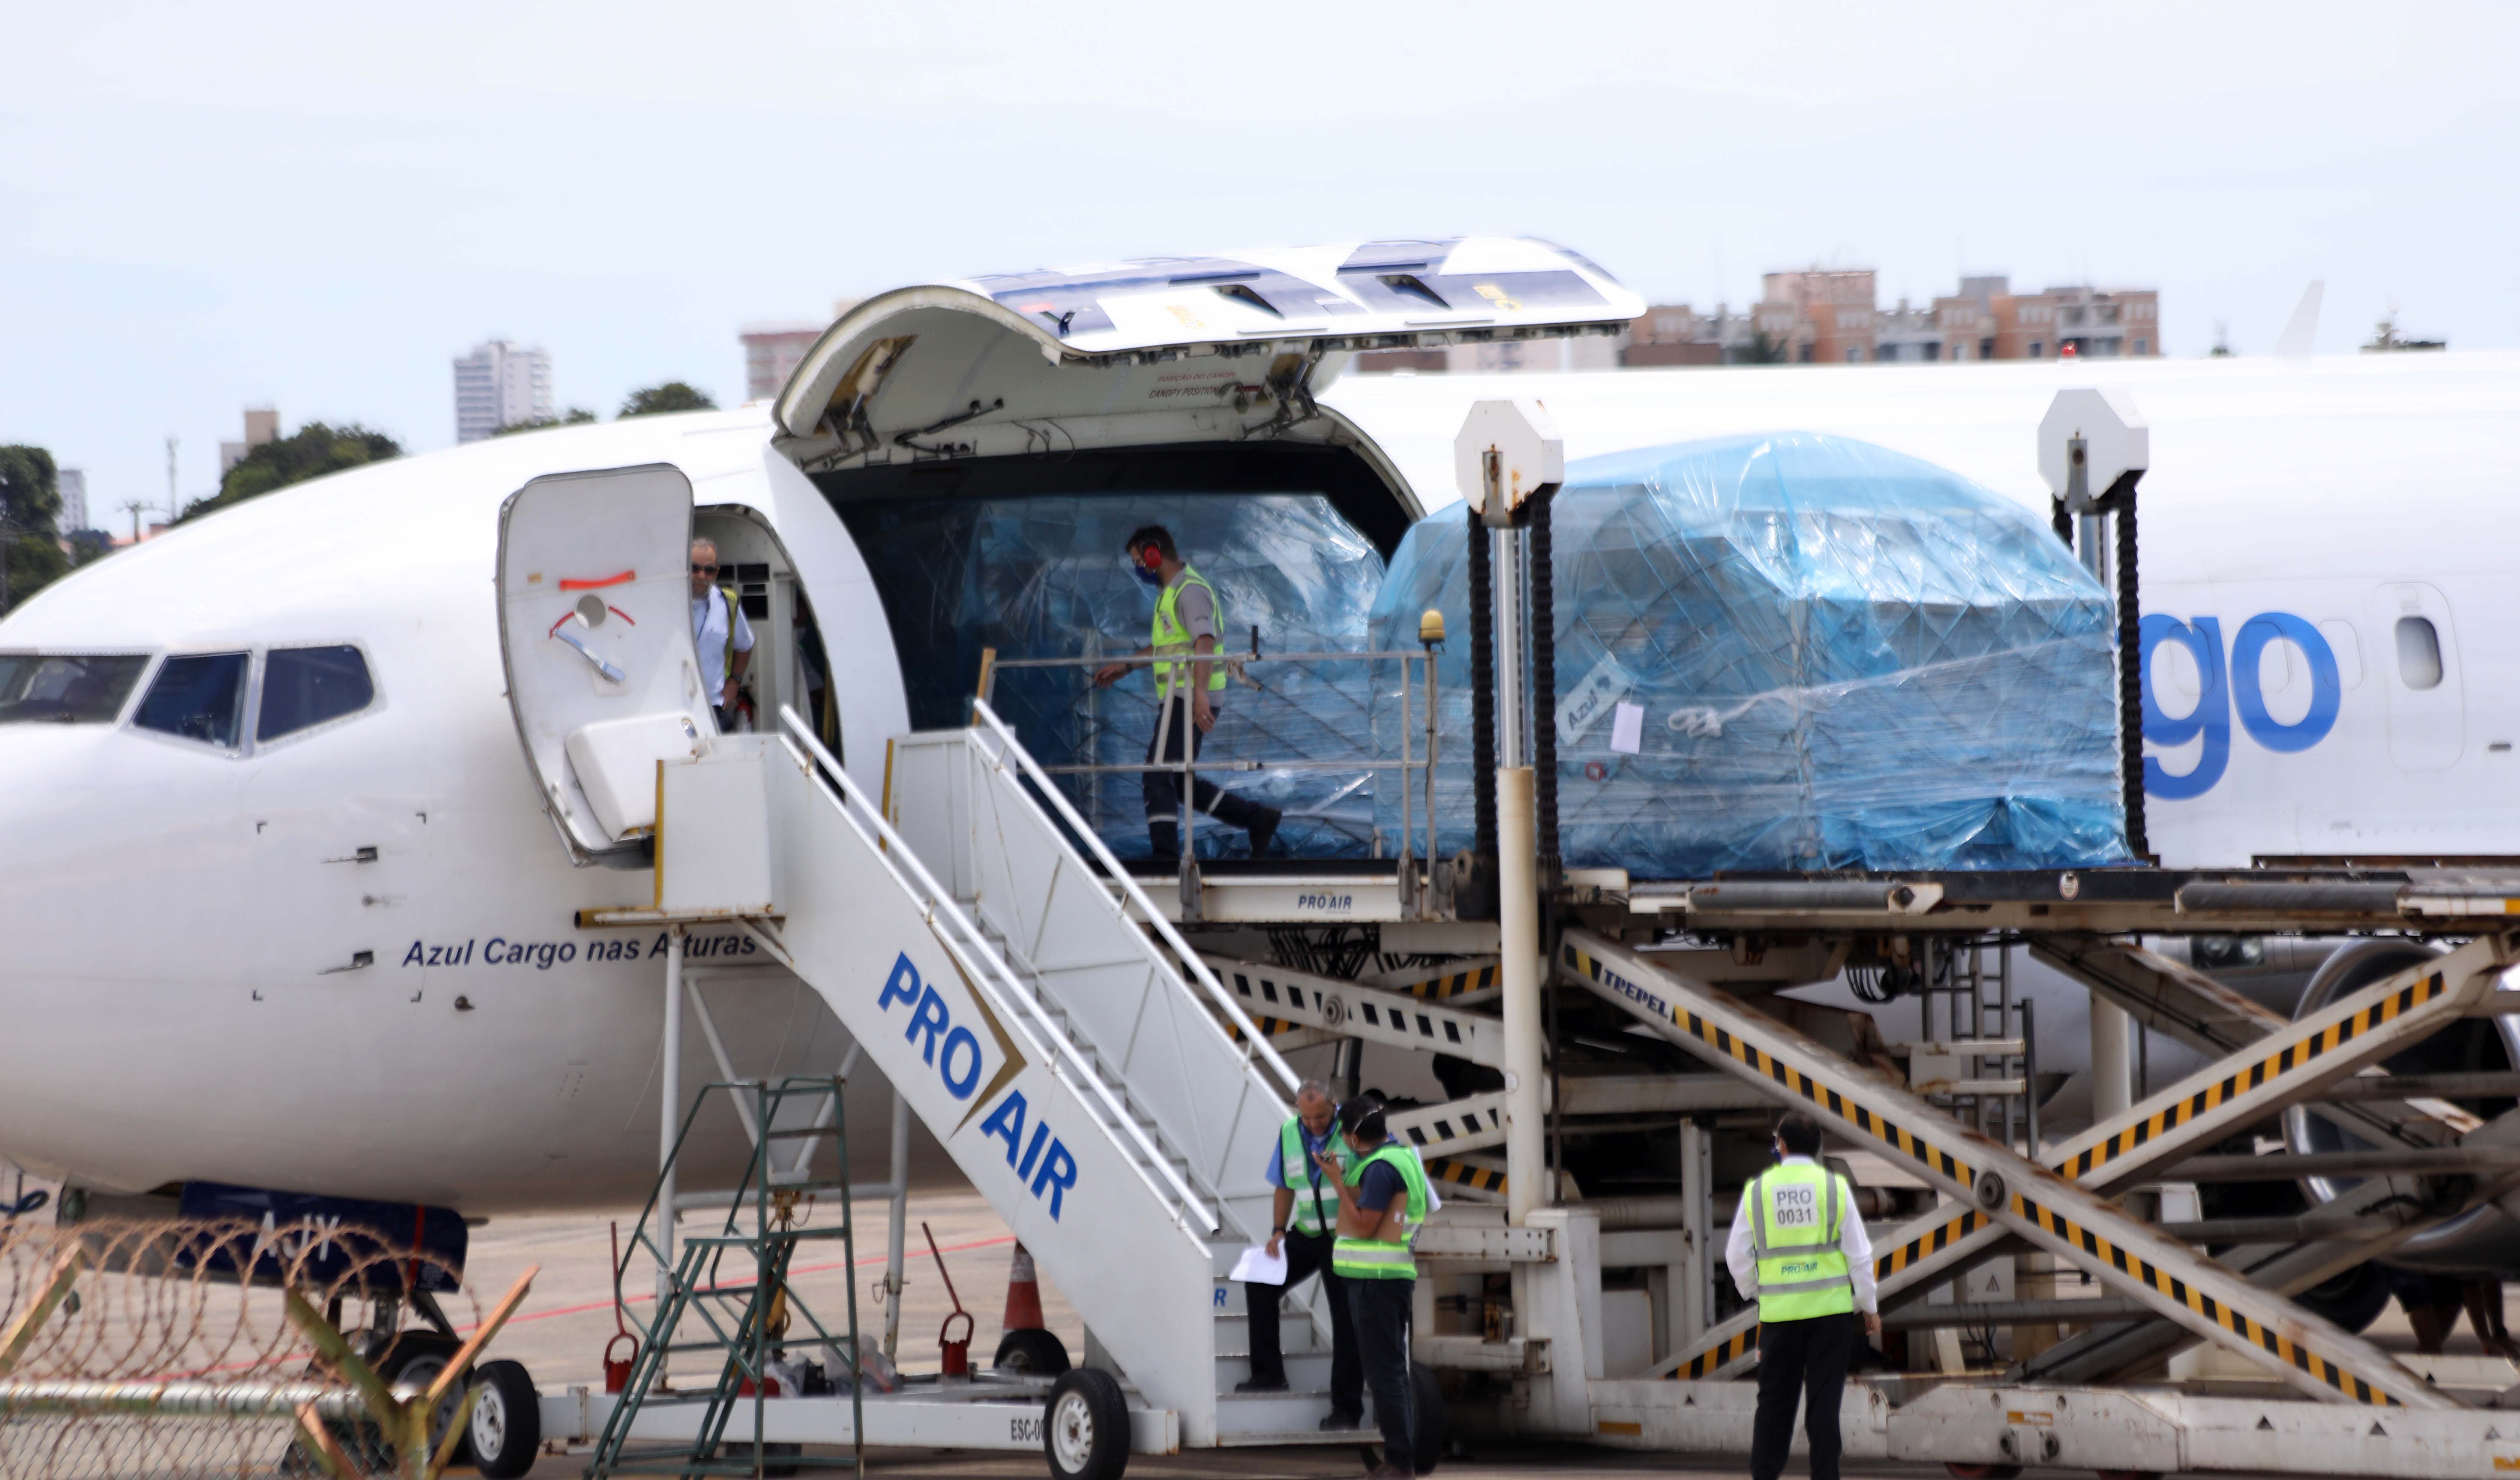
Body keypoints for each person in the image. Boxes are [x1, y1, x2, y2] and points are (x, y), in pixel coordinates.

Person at [1093, 526, 1280, 863]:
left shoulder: (1190, 591)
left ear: (1154, 554)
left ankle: (1165, 857)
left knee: (1157, 771)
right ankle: (1256, 818)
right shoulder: (1171, 593)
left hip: (1187, 695)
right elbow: (1167, 648)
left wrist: (1200, 695)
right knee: (1176, 780)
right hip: (1181, 696)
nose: (1139, 568)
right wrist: (1127, 666)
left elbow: (1204, 642)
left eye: (1139, 560)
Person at [1728, 1111, 1880, 1480]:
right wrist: (1869, 1306)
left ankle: (1765, 1475)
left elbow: (1737, 1256)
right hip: (1831, 1316)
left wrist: (1757, 1292)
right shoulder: (1835, 1188)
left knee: (1775, 1405)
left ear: (1781, 1145)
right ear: (1815, 1149)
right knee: (1824, 1404)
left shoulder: (1758, 1190)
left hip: (1780, 1318)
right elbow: (1859, 1256)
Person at [1236, 1081, 1364, 1429]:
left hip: (1342, 1238)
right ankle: (1268, 1374)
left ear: (1334, 1107)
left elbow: (1369, 1181)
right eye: (1306, 1118)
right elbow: (1284, 1185)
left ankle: (1347, 1409)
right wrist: (1279, 1230)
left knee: (1345, 1322)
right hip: (1306, 1234)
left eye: (1321, 1116)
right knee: (1260, 1282)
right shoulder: (1290, 1132)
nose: (1314, 1124)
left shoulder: (1352, 1131)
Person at [1320, 1098, 1429, 1480]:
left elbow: (1365, 1225)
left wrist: (1336, 1181)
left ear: (1352, 1137)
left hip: (1376, 1284)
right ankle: (1401, 1457)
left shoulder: (1380, 1169)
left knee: (1385, 1375)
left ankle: (1400, 1462)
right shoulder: (1401, 1158)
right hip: (1389, 1280)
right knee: (1393, 1373)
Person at [688, 538, 754, 731]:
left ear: (716, 572)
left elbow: (745, 645)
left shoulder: (727, 603)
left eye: (709, 570)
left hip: (714, 709)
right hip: (674, 709)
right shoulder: (665, 602)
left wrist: (735, 681)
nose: (702, 576)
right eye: (695, 568)